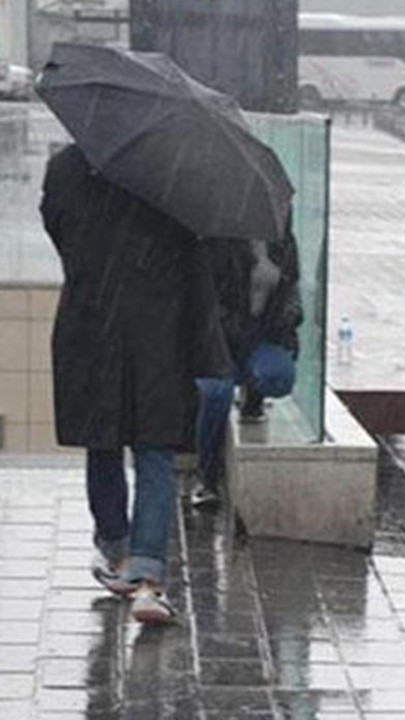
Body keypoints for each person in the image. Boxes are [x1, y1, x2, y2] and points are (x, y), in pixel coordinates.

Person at [41, 145, 229, 624]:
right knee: (154, 449)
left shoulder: (65, 167)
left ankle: (116, 549)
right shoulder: (173, 171)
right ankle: (148, 582)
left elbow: (59, 232)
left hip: (91, 323)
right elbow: (193, 253)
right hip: (157, 331)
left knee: (101, 440)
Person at [192, 229, 303, 508]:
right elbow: (206, 301)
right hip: (221, 340)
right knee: (217, 392)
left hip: (260, 336)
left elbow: (291, 290)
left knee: (278, 376)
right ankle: (206, 476)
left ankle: (253, 397)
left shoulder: (281, 243)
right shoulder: (218, 241)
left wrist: (289, 320)